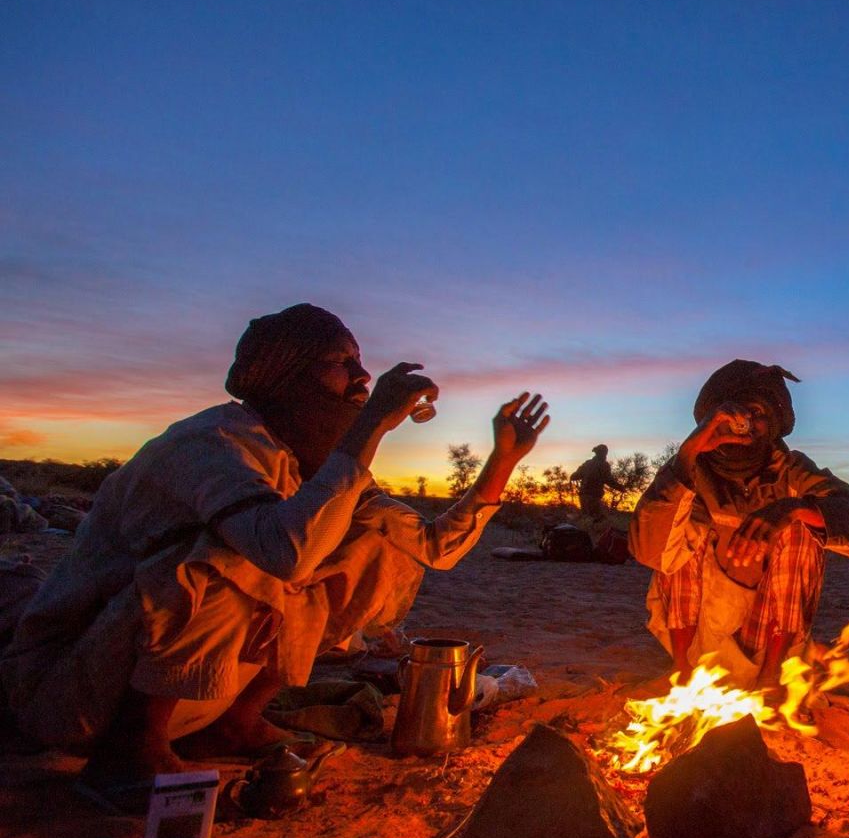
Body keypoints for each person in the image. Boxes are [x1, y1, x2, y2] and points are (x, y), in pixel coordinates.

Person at [0, 304, 551, 807]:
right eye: (341, 363)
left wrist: (502, 460)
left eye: (359, 362)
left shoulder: (310, 464)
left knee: (375, 545)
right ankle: (129, 755)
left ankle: (235, 722)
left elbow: (434, 549)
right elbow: (284, 553)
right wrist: (370, 426)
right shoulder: (212, 443)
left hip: (194, 698)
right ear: (286, 373)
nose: (362, 377)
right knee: (238, 553)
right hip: (74, 694)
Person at [629, 360, 849, 688]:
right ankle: (681, 672)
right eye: (733, 413)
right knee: (682, 515)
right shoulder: (689, 467)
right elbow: (649, 551)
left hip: (766, 639)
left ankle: (769, 679)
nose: (745, 424)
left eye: (757, 413)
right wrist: (690, 450)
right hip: (697, 635)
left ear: (774, 422)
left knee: (801, 524)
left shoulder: (790, 469)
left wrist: (792, 509)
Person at [570, 443, 620, 519]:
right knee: (597, 519)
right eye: (605, 453)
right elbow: (609, 480)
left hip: (583, 497)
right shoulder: (604, 465)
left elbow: (574, 476)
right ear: (604, 453)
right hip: (594, 497)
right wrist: (621, 488)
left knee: (587, 518)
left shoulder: (587, 463)